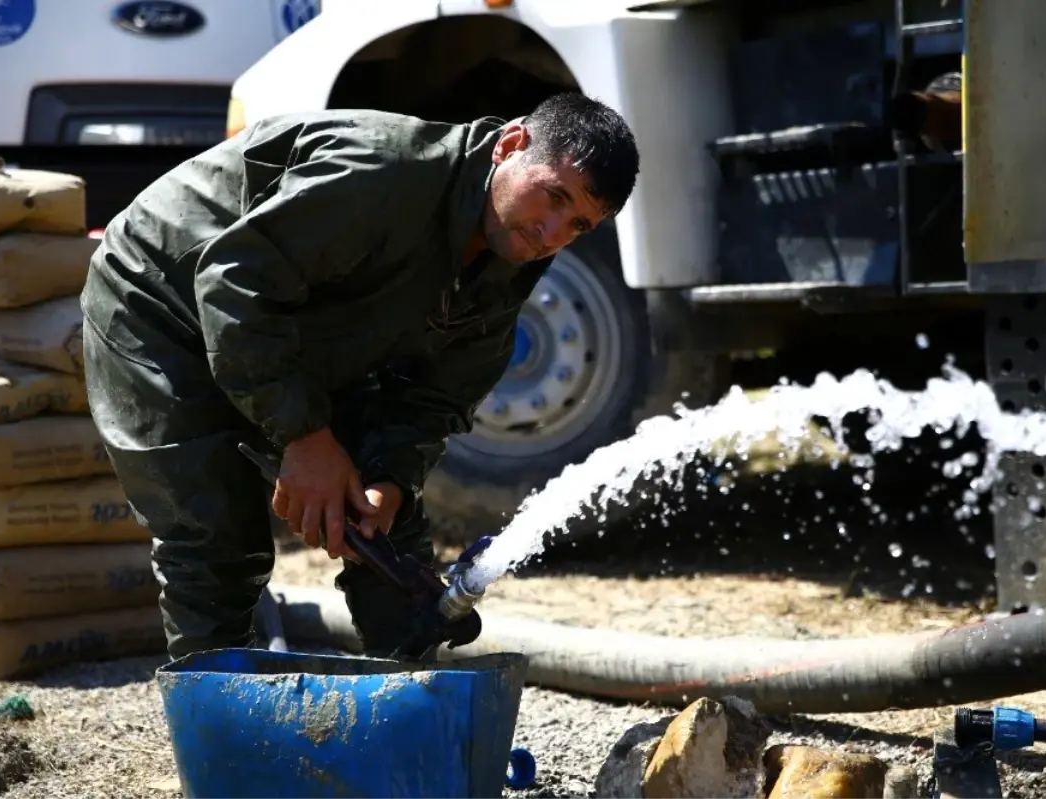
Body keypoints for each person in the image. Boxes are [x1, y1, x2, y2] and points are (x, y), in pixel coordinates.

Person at [80, 92, 640, 661]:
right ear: (511, 145)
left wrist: (390, 482)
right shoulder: (385, 172)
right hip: (162, 295)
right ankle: (226, 739)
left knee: (389, 542)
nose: (551, 232)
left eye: (577, 225)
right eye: (553, 197)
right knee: (216, 543)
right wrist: (305, 437)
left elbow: (436, 397)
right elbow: (233, 283)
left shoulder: (511, 251)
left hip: (299, 324)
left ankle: (410, 716)